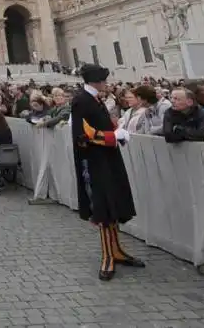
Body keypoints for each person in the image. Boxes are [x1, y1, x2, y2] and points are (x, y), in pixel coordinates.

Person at [71, 64, 143, 281]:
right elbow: (83, 135)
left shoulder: (94, 99)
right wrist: (115, 136)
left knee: (112, 204)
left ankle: (116, 249)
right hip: (95, 161)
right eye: (103, 80)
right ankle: (108, 255)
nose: (106, 83)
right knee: (103, 207)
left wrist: (115, 131)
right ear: (97, 81)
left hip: (107, 158)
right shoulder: (82, 100)